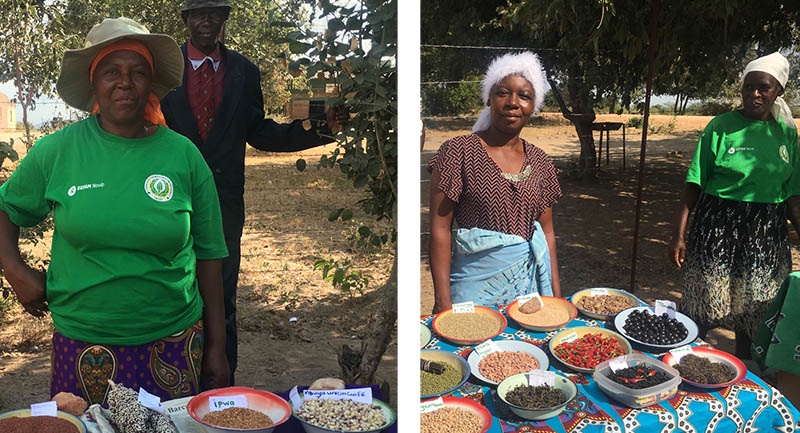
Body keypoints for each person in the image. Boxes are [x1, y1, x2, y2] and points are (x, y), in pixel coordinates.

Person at [0, 17, 230, 405]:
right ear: (94, 82)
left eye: (138, 72)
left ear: (150, 83)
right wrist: (15, 271)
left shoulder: (183, 155)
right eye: (112, 72)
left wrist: (218, 348)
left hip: (173, 341)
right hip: (83, 346)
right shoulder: (59, 151)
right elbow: (5, 207)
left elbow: (209, 253)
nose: (125, 82)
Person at [160, 0, 348, 384]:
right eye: (198, 14)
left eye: (215, 14)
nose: (206, 21)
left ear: (225, 21)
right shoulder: (164, 70)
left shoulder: (244, 72)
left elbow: (259, 131)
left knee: (222, 299)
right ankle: (173, 382)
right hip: (168, 204)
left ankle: (219, 389)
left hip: (225, 208)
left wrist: (320, 128)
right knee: (168, 294)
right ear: (186, 20)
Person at [668, 51, 800, 360]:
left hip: (766, 234)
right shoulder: (720, 127)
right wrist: (679, 234)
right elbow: (693, 185)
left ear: (778, 91)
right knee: (703, 303)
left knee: (754, 310)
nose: (754, 93)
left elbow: (792, 195)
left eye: (763, 87)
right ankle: (686, 364)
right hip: (716, 227)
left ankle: (744, 373)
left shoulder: (786, 136)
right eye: (748, 86)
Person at [427, 51, 563, 313]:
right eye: (503, 93)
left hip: (528, 296)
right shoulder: (459, 152)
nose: (513, 102)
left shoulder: (540, 161)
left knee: (523, 352)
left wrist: (557, 299)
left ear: (533, 107)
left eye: (524, 96)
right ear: (489, 99)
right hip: (472, 291)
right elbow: (440, 229)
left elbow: (547, 234)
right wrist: (444, 305)